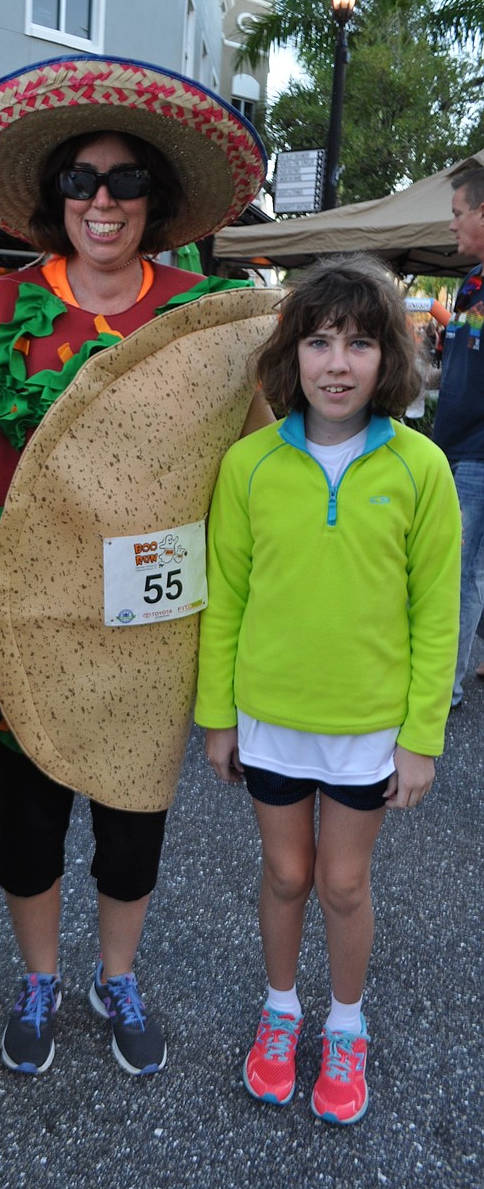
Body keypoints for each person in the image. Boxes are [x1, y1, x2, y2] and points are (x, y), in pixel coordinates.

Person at [0, 55, 269, 1077]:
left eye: (125, 180)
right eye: (81, 180)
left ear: (155, 201)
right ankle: (39, 976)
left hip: (153, 620)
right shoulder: (1, 307)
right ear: (55, 198)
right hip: (31, 613)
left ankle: (113, 973)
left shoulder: (202, 315)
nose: (104, 199)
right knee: (28, 823)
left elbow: (250, 468)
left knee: (131, 827)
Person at [196, 254, 461, 1125]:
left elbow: (437, 612)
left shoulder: (422, 470)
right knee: (285, 871)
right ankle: (281, 1012)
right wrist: (216, 718)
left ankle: (346, 1024)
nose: (337, 362)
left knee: (344, 883)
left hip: (368, 727)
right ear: (292, 354)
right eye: (317, 341)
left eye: (357, 342)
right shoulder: (249, 467)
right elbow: (225, 594)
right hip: (268, 716)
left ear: (389, 357)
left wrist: (422, 735)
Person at [432, 166, 484, 703]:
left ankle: (442, 687)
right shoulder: (473, 281)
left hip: (472, 454)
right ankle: (448, 683)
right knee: (468, 576)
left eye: (456, 213)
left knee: (457, 573)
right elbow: (459, 371)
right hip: (462, 448)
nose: (451, 226)